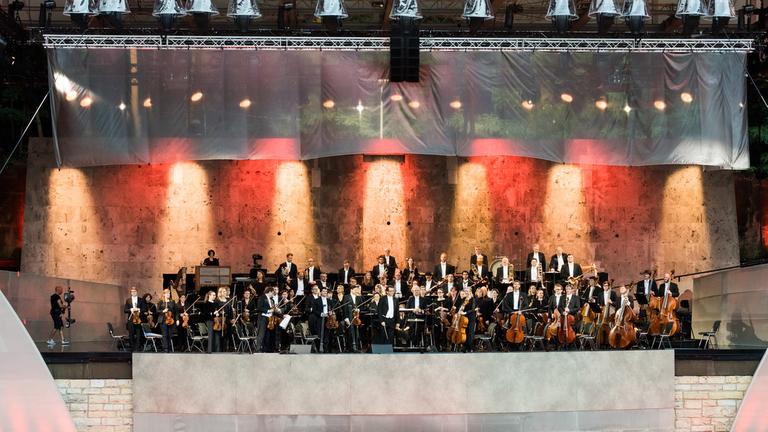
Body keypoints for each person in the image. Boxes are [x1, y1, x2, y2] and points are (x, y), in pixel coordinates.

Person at [123, 286, 146, 352]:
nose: (133, 292)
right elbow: (125, 310)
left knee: (139, 333)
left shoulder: (141, 300)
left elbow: (144, 309)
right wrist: (131, 309)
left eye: (135, 291)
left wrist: (139, 309)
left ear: (137, 292)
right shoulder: (128, 300)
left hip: (138, 319)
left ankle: (138, 347)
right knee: (131, 333)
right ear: (131, 293)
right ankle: (132, 347)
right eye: (132, 291)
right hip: (131, 319)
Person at [157, 288, 178, 353]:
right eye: (167, 293)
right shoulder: (161, 302)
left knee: (169, 335)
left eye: (169, 293)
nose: (168, 294)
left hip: (171, 320)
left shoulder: (172, 302)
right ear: (164, 294)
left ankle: (169, 348)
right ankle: (165, 348)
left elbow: (176, 312)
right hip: (163, 320)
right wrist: (163, 311)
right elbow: (157, 311)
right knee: (164, 335)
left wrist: (177, 319)